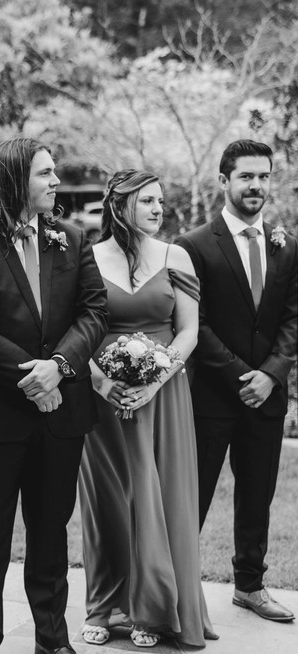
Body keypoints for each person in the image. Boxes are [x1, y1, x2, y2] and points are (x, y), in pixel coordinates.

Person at [0, 137, 108, 654]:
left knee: (51, 531)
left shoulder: (72, 239)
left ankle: (53, 639)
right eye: (46, 174)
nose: (56, 182)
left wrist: (59, 368)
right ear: (14, 179)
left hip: (63, 410)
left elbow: (94, 311)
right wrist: (34, 380)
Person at [78, 169, 216, 648]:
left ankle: (153, 610)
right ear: (120, 206)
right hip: (103, 395)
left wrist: (155, 381)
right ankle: (104, 604)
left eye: (161, 201)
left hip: (163, 396)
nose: (159, 209)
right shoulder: (88, 259)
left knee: (158, 499)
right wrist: (101, 382)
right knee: (107, 501)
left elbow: (189, 331)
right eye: (148, 201)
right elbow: (75, 329)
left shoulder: (176, 256)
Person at [175, 140, 297, 623]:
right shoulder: (194, 245)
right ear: (223, 181)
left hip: (267, 397)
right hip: (210, 397)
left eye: (264, 176)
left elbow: (293, 318)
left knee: (257, 495)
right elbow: (194, 323)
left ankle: (250, 585)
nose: (257, 186)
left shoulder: (286, 246)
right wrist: (239, 375)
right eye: (247, 177)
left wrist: (270, 375)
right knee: (194, 496)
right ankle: (180, 590)